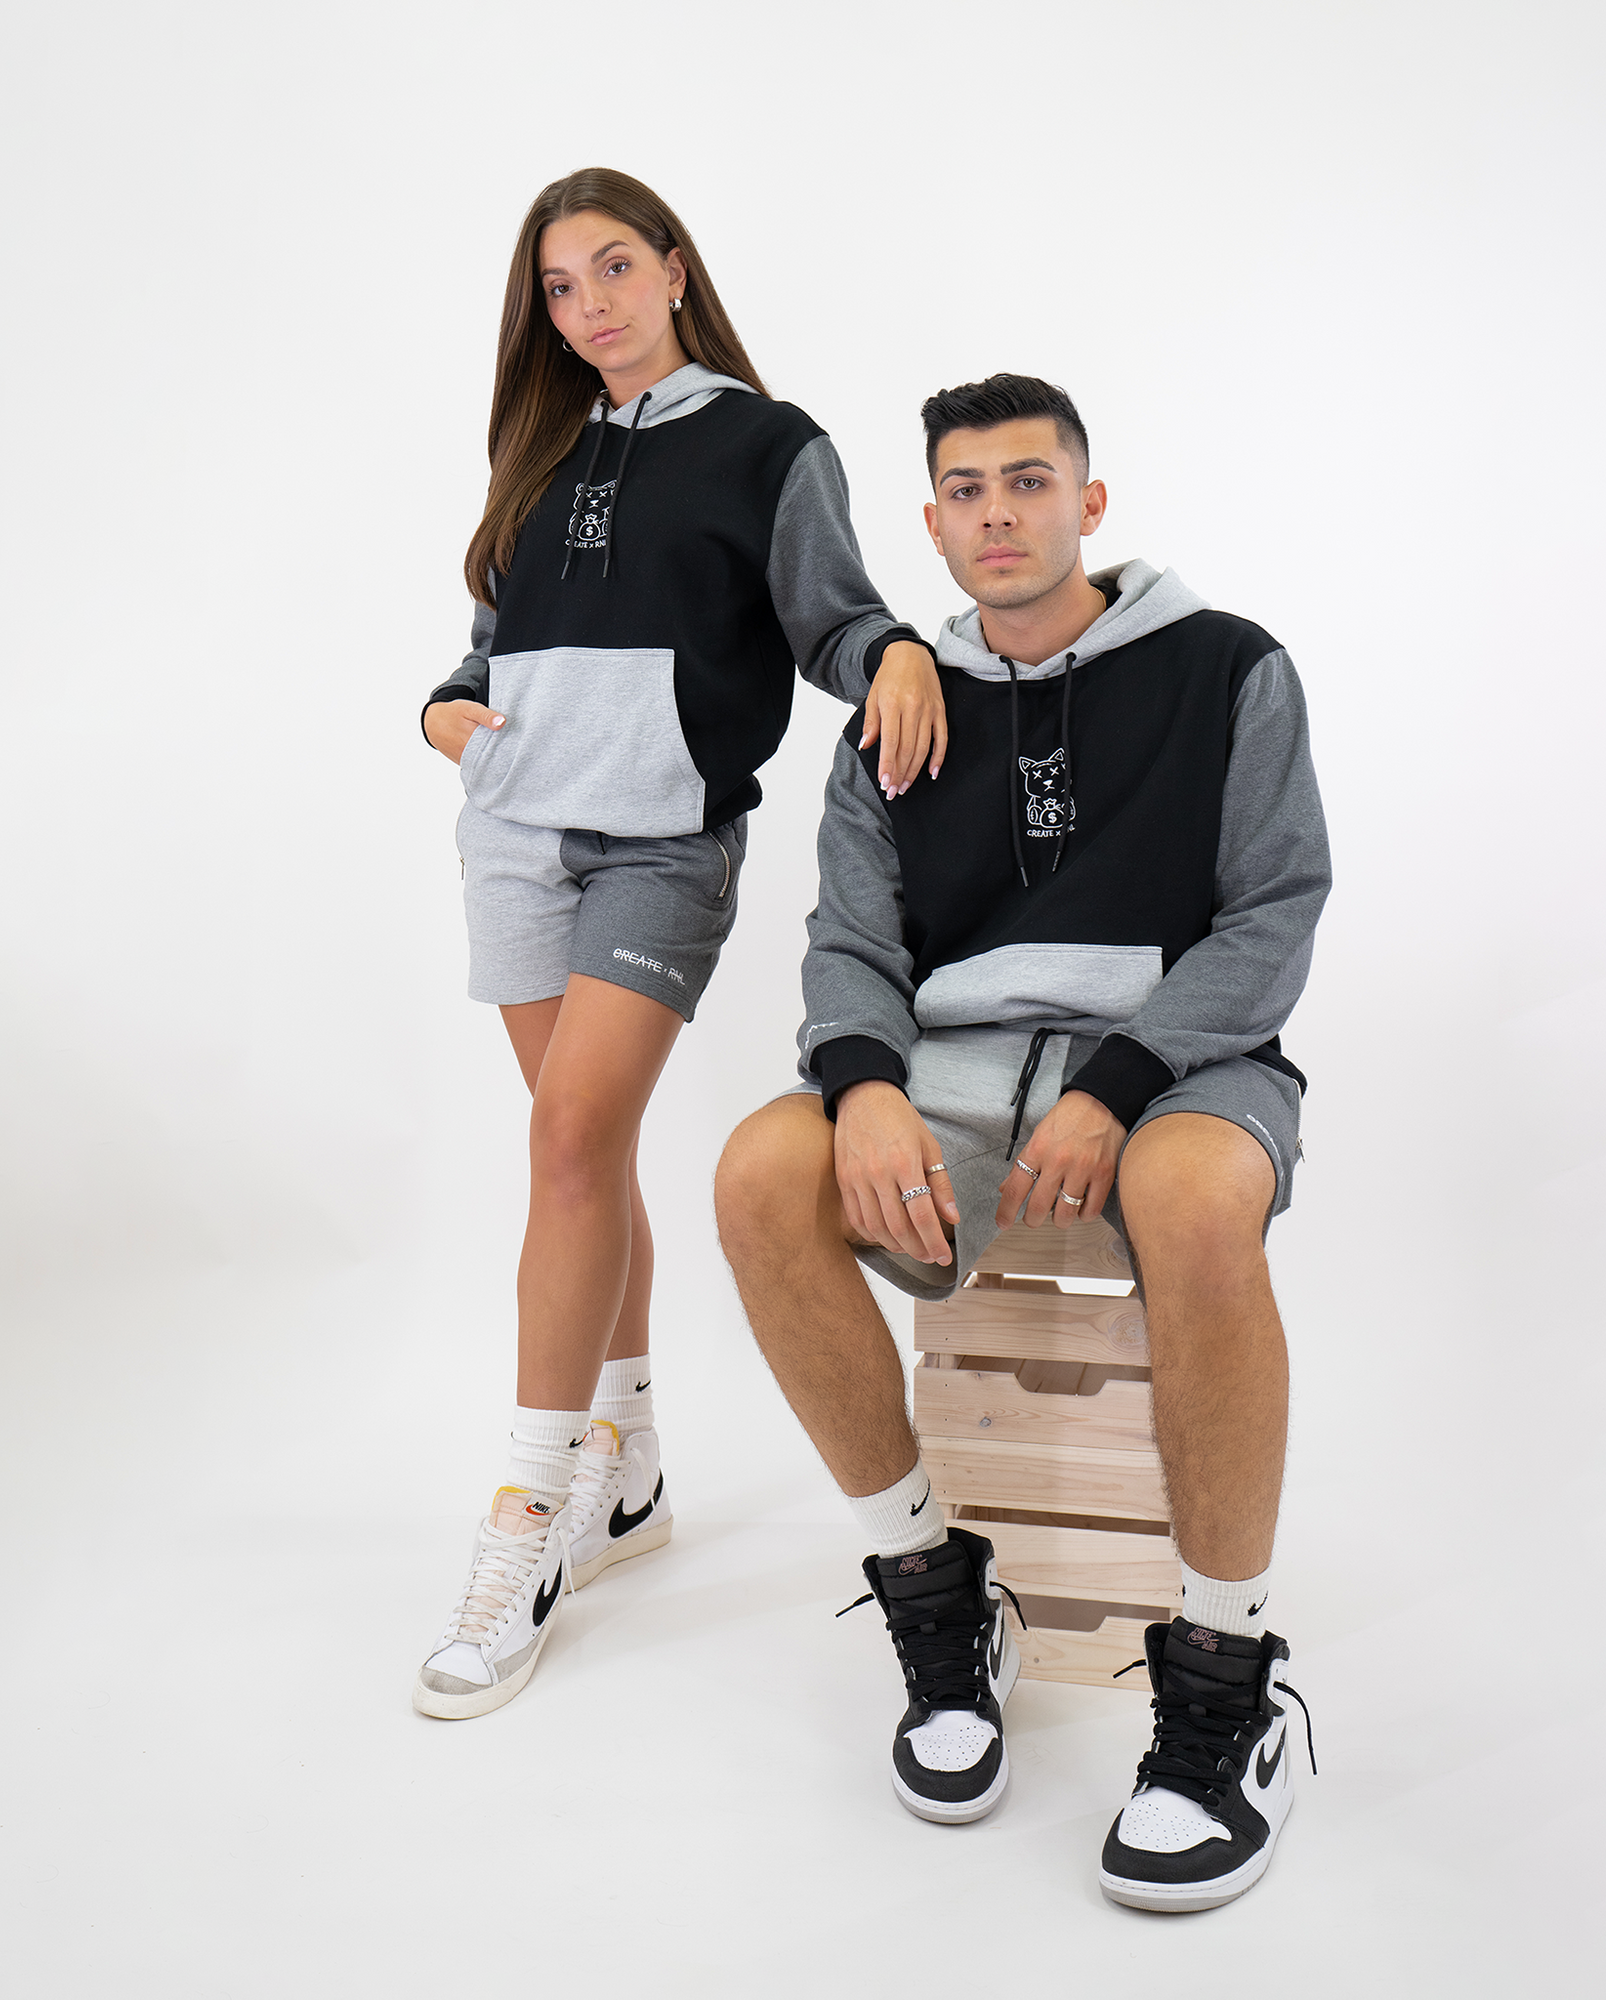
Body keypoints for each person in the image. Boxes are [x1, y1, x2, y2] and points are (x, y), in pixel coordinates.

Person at [715, 374, 1331, 1910]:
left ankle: (1229, 1676)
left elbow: (1272, 913)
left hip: (1185, 1056)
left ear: (1089, 503)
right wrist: (863, 1086)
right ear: (932, 525)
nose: (999, 512)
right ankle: (937, 1593)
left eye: (1030, 481)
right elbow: (852, 940)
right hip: (954, 1068)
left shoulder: (1228, 668)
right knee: (760, 1169)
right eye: (968, 490)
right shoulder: (899, 707)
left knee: (1193, 1194)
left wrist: (1118, 1081)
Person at [412, 169, 946, 1720]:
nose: (588, 306)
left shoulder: (771, 446)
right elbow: (493, 643)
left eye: (611, 268)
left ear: (674, 269)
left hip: (662, 841)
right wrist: (446, 709)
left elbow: (830, 620)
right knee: (578, 1153)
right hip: (514, 831)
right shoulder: (539, 448)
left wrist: (898, 650)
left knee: (572, 1140)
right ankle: (628, 1466)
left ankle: (527, 1518)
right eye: (558, 287)